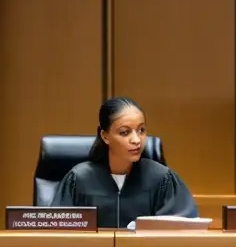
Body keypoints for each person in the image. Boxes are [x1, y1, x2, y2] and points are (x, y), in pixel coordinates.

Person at [49, 96, 199, 228]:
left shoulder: (162, 179)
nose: (136, 140)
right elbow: (57, 232)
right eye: (124, 132)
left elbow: (184, 230)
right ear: (105, 136)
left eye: (141, 130)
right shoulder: (79, 179)